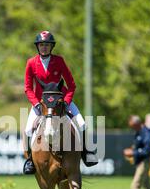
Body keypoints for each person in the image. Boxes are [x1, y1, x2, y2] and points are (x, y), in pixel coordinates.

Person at [23, 30, 98, 174]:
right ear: (37, 46)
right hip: (41, 103)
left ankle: (86, 153)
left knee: (81, 124)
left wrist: (67, 101)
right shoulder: (31, 63)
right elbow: (27, 88)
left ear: (52, 47)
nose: (44, 47)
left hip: (61, 101)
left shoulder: (59, 61)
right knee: (27, 130)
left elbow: (72, 85)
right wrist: (36, 104)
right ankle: (30, 161)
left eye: (47, 44)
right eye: (42, 44)